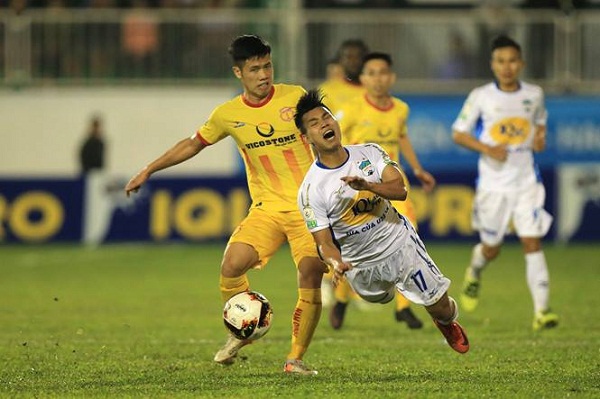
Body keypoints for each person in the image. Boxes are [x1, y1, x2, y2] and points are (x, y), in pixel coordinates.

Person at [124, 35, 327, 375]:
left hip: (311, 207)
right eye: (254, 69)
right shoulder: (228, 114)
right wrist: (149, 168)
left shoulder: (296, 97)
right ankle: (241, 331)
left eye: (267, 66)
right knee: (232, 265)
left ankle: (295, 359)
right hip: (267, 207)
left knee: (309, 272)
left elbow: (329, 133)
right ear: (238, 72)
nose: (263, 75)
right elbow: (192, 144)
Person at [295, 89, 470, 354]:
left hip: (400, 245)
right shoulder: (310, 190)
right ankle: (393, 292)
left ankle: (445, 322)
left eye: (326, 117)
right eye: (315, 123)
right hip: (360, 264)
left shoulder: (370, 153)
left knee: (440, 305)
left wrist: (367, 185)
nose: (325, 124)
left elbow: (400, 189)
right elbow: (324, 243)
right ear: (305, 137)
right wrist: (335, 263)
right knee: (379, 297)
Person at [451, 35, 559, 331]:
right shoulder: (482, 95)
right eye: (501, 61)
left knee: (531, 241)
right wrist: (487, 149)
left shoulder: (535, 94)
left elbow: (539, 120)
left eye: (512, 60)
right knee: (491, 247)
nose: (507, 66)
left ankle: (542, 311)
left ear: (521, 63)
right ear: (493, 64)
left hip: (526, 180)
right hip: (493, 185)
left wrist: (539, 136)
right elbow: (458, 132)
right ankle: (474, 271)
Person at [331, 52, 437, 330]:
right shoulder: (351, 110)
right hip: (361, 192)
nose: (378, 79)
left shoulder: (400, 108)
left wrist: (417, 168)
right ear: (363, 78)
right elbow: (331, 141)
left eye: (383, 73)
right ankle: (341, 299)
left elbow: (402, 137)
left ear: (392, 77)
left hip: (393, 188)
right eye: (372, 73)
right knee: (359, 251)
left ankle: (403, 307)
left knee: (407, 243)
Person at [319, 38, 369, 115]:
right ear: (340, 60)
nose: (353, 61)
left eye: (358, 57)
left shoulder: (375, 91)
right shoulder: (326, 91)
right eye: (349, 57)